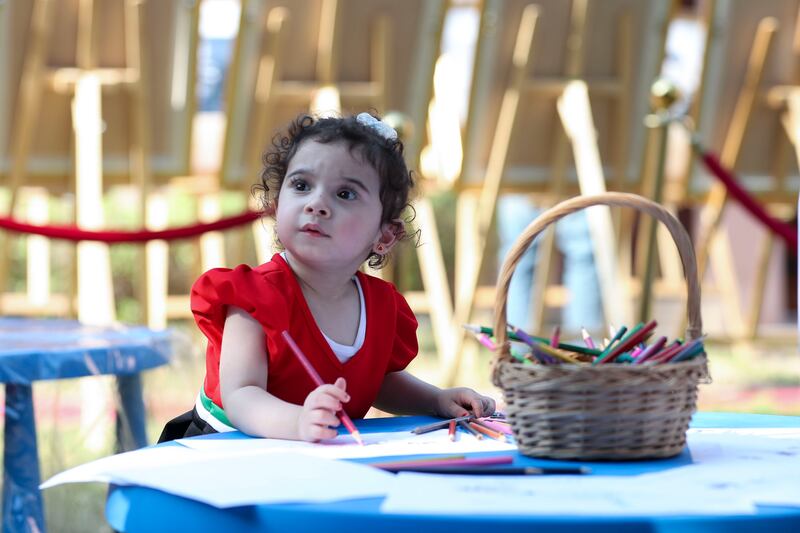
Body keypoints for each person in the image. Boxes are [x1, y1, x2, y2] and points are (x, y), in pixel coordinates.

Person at [159, 112, 495, 443]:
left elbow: (376, 382)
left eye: (345, 194)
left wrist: (435, 400)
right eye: (302, 186)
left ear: (385, 234)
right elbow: (241, 395)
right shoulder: (256, 296)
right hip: (225, 452)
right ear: (277, 206)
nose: (316, 204)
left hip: (317, 454)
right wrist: (298, 422)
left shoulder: (381, 306)